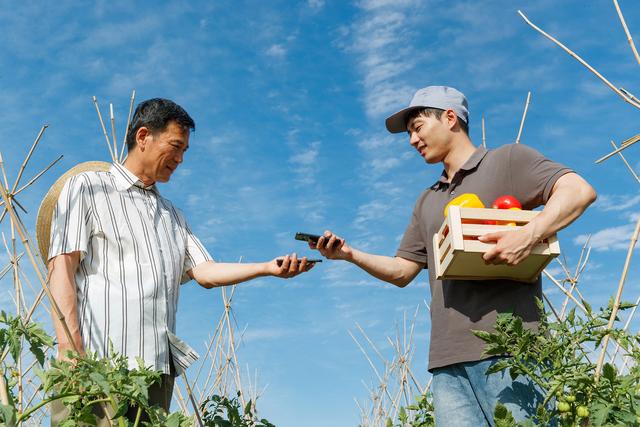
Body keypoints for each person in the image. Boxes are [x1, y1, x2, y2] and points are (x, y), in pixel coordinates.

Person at [312, 86, 596, 426]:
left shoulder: (507, 160)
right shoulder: (427, 200)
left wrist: (528, 234)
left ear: (450, 118)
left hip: (512, 350)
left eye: (417, 128)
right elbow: (402, 271)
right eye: (409, 134)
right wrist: (349, 254)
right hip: (447, 362)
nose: (412, 141)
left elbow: (578, 191)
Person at [46, 98, 313, 425]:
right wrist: (71, 349)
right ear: (143, 137)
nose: (181, 159)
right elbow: (61, 267)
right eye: (175, 146)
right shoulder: (88, 187)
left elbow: (205, 272)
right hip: (100, 366)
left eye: (185, 151)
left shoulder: (172, 215)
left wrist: (267, 268)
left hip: (155, 373)